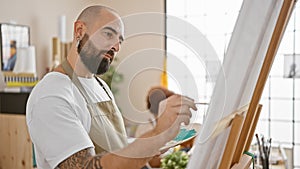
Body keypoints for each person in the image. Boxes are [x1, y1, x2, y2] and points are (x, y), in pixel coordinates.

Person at [26, 5, 196, 169]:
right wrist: (158, 135)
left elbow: (115, 147)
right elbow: (87, 166)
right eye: (108, 34)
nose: (116, 46)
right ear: (79, 31)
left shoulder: (101, 87)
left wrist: (151, 147)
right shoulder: (51, 95)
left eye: (119, 40)